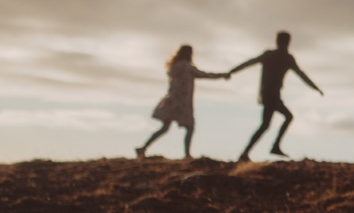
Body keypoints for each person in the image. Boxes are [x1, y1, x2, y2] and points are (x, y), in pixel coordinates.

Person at [228, 31, 323, 161]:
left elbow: (249, 62)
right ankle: (250, 152)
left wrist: (232, 71)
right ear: (288, 42)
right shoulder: (285, 57)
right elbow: (301, 75)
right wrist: (315, 87)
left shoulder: (272, 55)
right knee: (269, 124)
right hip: (271, 95)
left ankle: (259, 150)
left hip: (269, 94)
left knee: (277, 121)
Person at [137, 45, 229, 159]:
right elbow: (205, 75)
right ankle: (187, 154)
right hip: (183, 102)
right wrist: (223, 75)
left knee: (165, 128)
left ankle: (143, 147)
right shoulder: (187, 67)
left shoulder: (174, 67)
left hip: (172, 100)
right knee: (189, 128)